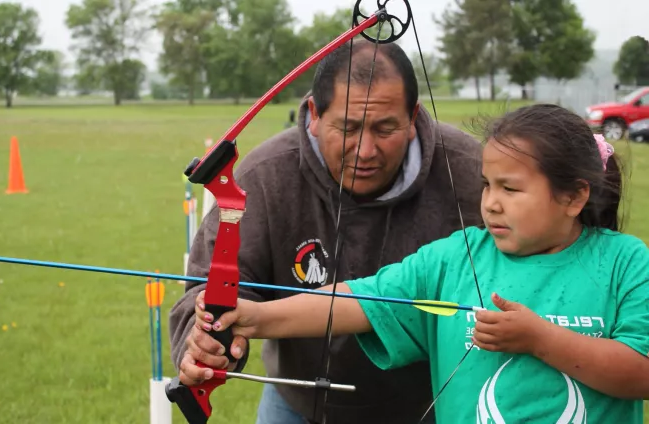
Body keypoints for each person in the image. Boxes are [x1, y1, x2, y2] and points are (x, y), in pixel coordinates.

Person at [192, 104, 649, 423]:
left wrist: (538, 338)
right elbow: (359, 301)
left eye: (510, 190)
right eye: (487, 186)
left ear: (573, 196)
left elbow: (640, 373)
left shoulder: (624, 261)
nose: (490, 203)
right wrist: (255, 315)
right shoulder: (457, 255)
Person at [169, 40, 484, 423]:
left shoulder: (474, 173)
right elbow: (211, 287)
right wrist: (203, 343)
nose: (365, 151)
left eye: (386, 128)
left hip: (433, 401)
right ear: (315, 115)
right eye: (348, 128)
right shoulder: (266, 175)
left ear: (413, 116)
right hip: (299, 401)